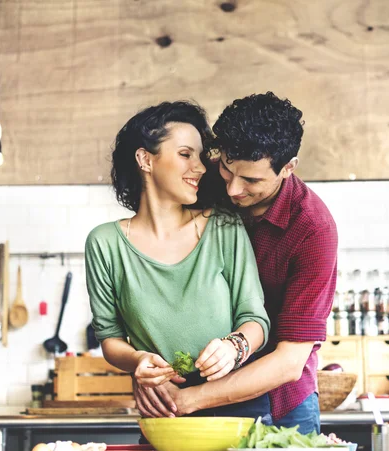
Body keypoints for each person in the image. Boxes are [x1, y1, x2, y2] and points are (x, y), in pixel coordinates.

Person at [135, 92, 338, 434]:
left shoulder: (313, 229)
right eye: (227, 169)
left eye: (252, 181)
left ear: (288, 167)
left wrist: (188, 400)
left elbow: (289, 363)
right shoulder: (202, 183)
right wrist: (143, 370)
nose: (232, 190)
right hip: (186, 388)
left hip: (280, 403)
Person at [85, 100, 272, 421]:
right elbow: (111, 339)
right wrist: (138, 361)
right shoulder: (105, 243)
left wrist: (233, 347)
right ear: (145, 159)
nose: (200, 167)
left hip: (236, 405)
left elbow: (256, 319)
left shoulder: (223, 226)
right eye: (186, 154)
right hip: (164, 409)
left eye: (200, 156)